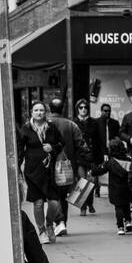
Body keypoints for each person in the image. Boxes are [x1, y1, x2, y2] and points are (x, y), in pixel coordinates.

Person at [16, 101, 63, 245]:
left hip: (50, 172)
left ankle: (49, 224)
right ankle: (42, 231)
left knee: (54, 203)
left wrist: (52, 148)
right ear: (31, 112)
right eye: (36, 110)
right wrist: (17, 168)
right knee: (38, 203)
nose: (39, 112)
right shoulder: (26, 129)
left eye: (41, 110)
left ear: (45, 112)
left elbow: (61, 144)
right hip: (33, 172)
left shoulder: (51, 127)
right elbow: (19, 149)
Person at [47, 97, 93, 238]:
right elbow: (82, 146)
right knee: (62, 195)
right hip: (67, 167)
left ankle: (58, 222)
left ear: (49, 109)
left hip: (48, 166)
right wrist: (85, 163)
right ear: (62, 109)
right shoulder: (71, 125)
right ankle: (62, 223)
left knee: (52, 195)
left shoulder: (45, 124)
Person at [92, 138, 132, 234]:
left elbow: (99, 170)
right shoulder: (129, 160)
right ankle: (128, 222)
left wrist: (92, 169)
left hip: (115, 189)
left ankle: (120, 227)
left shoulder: (111, 162)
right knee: (126, 205)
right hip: (127, 187)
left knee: (118, 207)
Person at [88, 103, 120, 208]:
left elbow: (117, 136)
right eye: (105, 111)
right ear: (101, 111)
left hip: (112, 149)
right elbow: (93, 137)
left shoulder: (114, 123)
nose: (107, 112)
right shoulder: (96, 122)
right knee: (98, 169)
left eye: (109, 111)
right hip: (99, 150)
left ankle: (111, 189)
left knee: (112, 168)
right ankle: (97, 190)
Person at [74, 99, 99, 214]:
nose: (83, 109)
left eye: (85, 107)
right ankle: (83, 207)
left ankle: (90, 202)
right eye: (81, 107)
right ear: (77, 109)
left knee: (92, 182)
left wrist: (102, 155)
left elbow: (99, 140)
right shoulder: (73, 123)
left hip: (92, 156)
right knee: (82, 181)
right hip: (79, 156)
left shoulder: (94, 122)